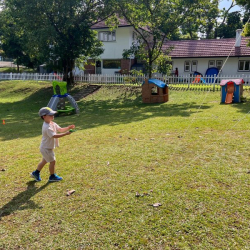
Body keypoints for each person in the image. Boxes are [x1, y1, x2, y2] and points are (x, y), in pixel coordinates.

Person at [31, 107, 75, 182]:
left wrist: (68, 128)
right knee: (52, 161)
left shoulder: (52, 123)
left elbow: (60, 130)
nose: (52, 116)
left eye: (52, 114)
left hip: (47, 147)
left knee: (44, 161)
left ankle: (36, 173)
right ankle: (52, 176)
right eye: (50, 115)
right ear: (44, 116)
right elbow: (54, 135)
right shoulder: (47, 127)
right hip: (46, 148)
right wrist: (66, 134)